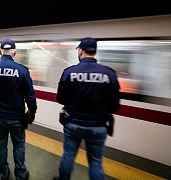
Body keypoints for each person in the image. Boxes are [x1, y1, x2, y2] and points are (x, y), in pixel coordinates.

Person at [54, 37, 120, 180]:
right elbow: (115, 106)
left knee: (68, 156)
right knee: (96, 163)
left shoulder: (69, 72)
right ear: (94, 52)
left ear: (81, 51)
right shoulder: (109, 74)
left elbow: (60, 99)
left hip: (73, 124)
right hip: (98, 126)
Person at [0, 39, 37, 180]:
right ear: (14, 53)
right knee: (19, 145)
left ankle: (4, 173)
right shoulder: (22, 71)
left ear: (0, 52)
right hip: (16, 116)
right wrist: (32, 113)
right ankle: (21, 174)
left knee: (0, 144)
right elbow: (30, 97)